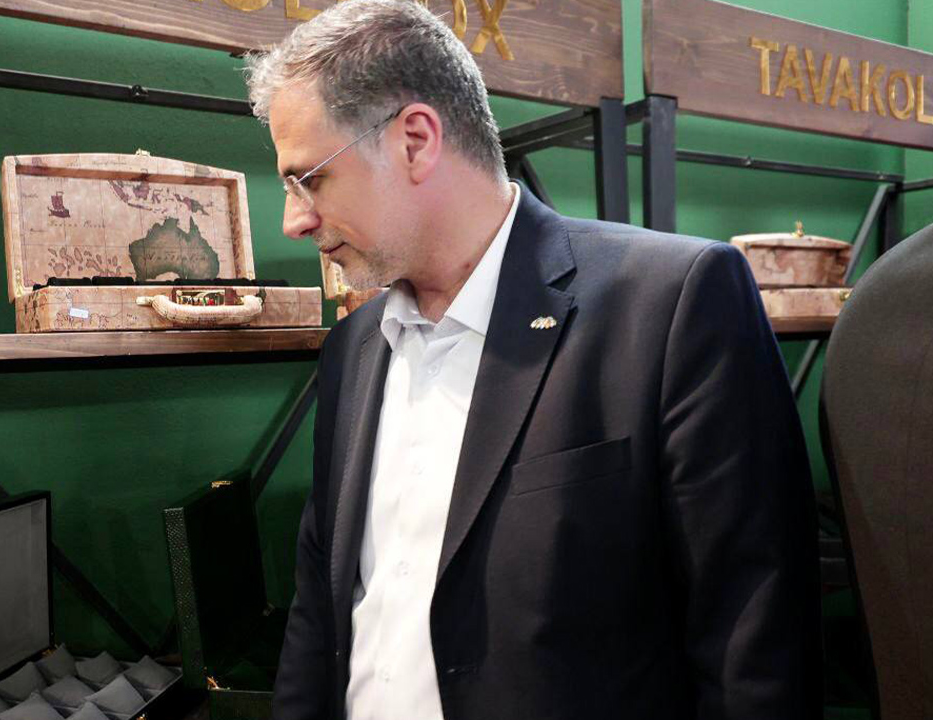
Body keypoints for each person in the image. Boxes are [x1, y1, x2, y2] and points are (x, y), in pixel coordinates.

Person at [244, 1, 822, 718]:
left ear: (415, 141)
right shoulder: (353, 349)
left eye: (310, 178)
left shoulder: (670, 303)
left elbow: (753, 641)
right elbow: (320, 610)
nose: (294, 220)